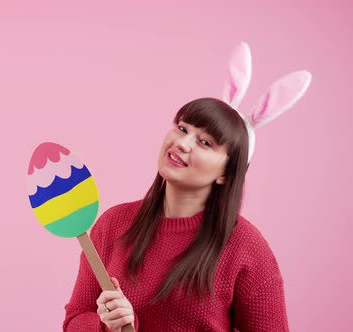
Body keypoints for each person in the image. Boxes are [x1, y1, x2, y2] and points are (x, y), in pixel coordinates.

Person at [62, 43, 311, 331]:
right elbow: (75, 320)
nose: (182, 143)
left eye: (205, 142)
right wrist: (108, 326)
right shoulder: (114, 224)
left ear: (226, 174)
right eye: (182, 128)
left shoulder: (247, 249)